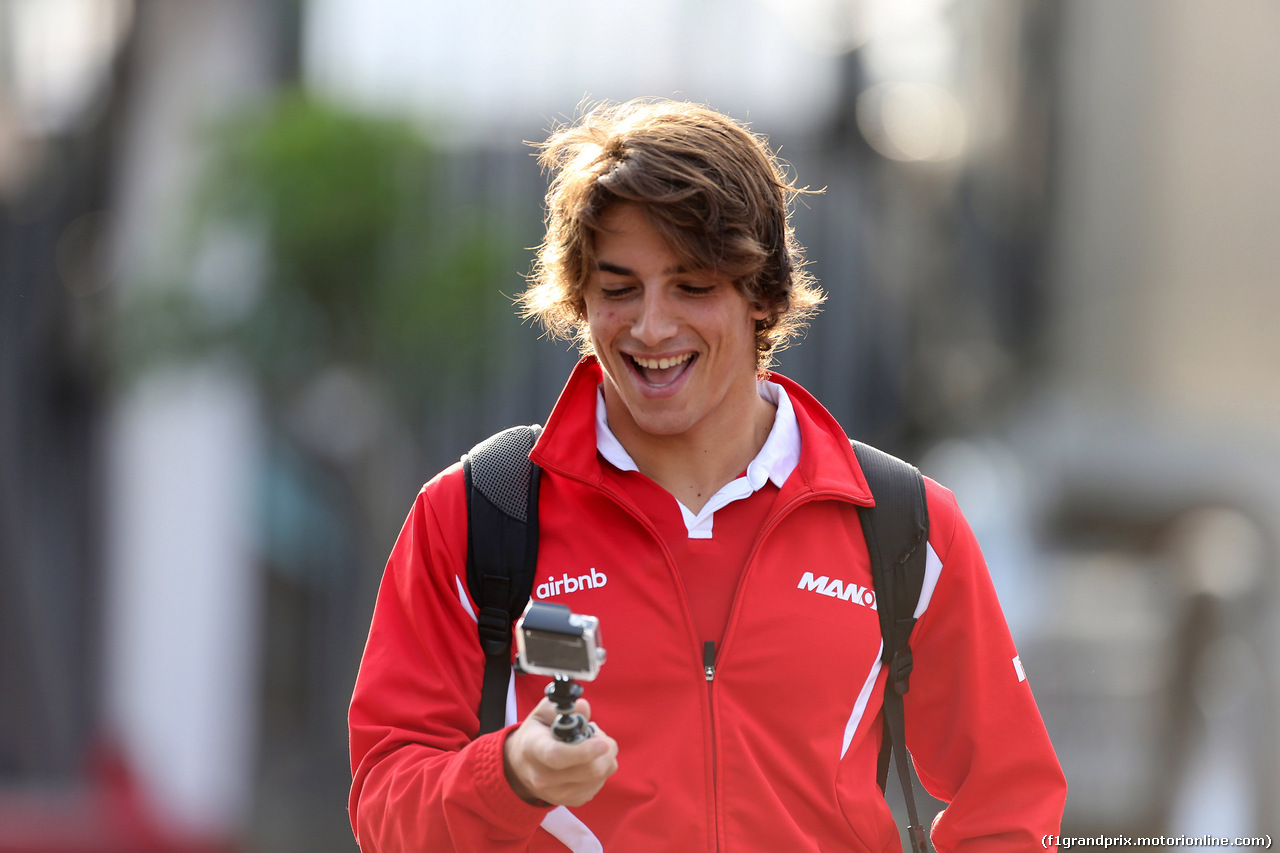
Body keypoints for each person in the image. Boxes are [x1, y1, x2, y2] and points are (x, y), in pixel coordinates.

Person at [348, 99, 1067, 852]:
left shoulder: (903, 524)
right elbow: (383, 806)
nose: (652, 327)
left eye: (692, 286)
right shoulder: (477, 513)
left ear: (764, 297)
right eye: (619, 288)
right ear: (580, 298)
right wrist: (511, 775)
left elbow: (1009, 800)